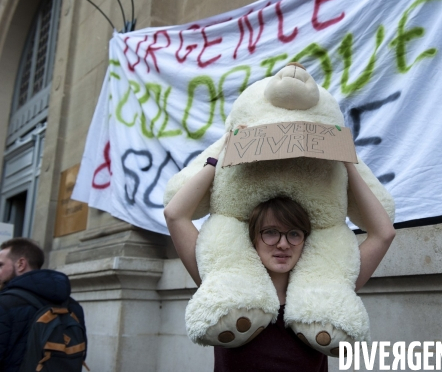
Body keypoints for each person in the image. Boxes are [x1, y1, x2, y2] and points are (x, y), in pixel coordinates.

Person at [164, 155, 395, 371]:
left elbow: (383, 234)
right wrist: (218, 159)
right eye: (271, 232)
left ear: (305, 240)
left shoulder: (329, 289)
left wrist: (346, 165)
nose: (283, 244)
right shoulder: (221, 283)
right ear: (254, 238)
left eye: (294, 234)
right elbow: (175, 214)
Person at [0, 237, 86, 372]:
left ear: (20, 264)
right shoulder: (73, 306)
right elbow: (79, 354)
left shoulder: (4, 304)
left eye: (1, 265)